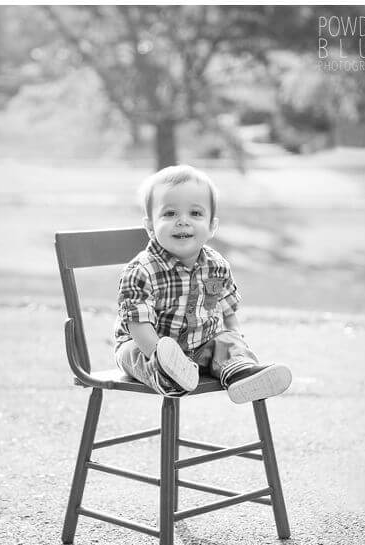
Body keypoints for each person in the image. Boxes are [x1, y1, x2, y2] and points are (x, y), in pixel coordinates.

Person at [113, 164, 292, 403]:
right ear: (150, 226)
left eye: (195, 214)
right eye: (169, 214)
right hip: (147, 345)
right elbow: (138, 326)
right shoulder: (141, 270)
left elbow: (228, 312)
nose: (182, 221)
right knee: (134, 354)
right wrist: (159, 353)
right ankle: (169, 376)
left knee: (227, 343)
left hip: (200, 347)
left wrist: (233, 340)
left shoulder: (216, 266)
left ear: (212, 227)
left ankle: (241, 373)